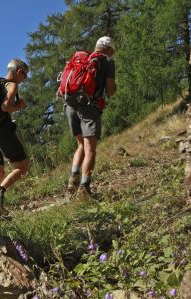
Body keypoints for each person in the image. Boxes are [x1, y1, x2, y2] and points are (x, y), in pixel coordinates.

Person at [66, 36, 116, 197]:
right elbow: (110, 90)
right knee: (90, 149)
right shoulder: (107, 61)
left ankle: (73, 178)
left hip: (70, 105)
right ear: (108, 49)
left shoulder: (81, 58)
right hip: (89, 106)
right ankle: (84, 188)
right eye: (112, 51)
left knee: (80, 143)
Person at [0, 58, 30, 221]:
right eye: (24, 76)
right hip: (2, 131)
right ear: (18, 72)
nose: (24, 80)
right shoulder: (12, 85)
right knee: (23, 167)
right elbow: (5, 106)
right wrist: (19, 106)